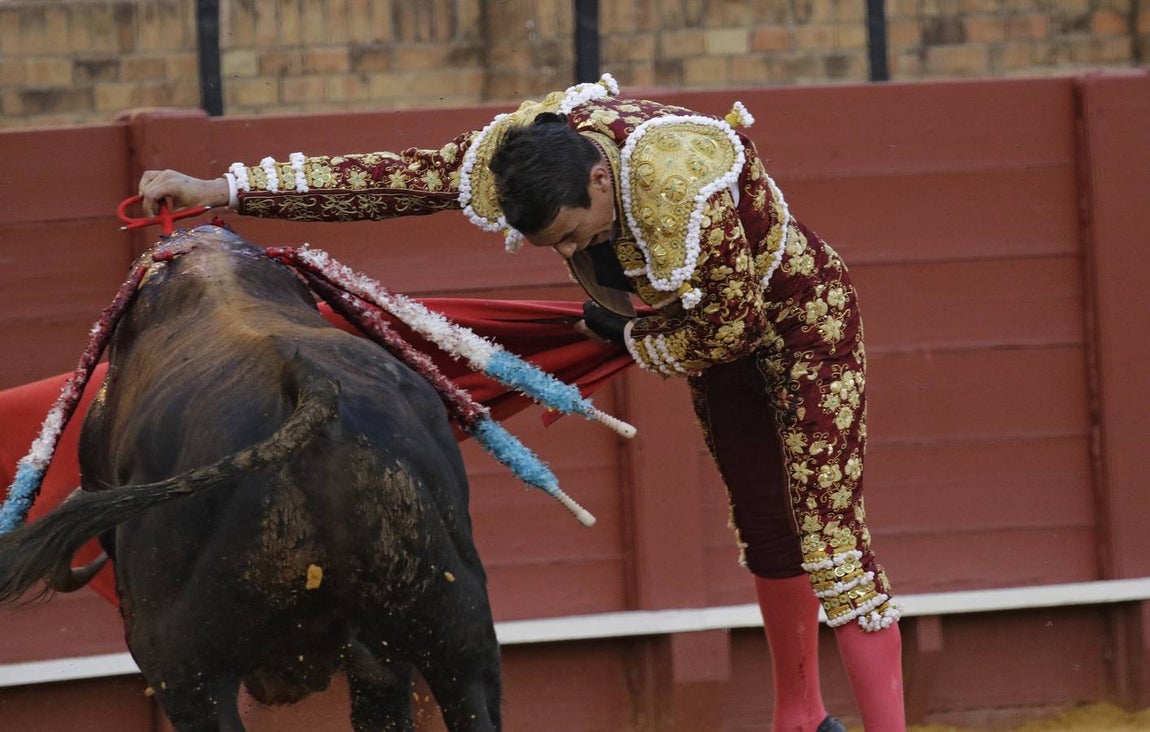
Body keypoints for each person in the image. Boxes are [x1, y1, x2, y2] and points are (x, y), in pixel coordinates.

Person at [139, 73, 906, 731]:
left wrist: (625, 338)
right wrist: (224, 189)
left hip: (804, 325)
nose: (571, 254)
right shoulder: (523, 150)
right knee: (765, 525)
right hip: (692, 327)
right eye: (554, 246)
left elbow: (728, 332)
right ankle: (801, 717)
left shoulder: (682, 180)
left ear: (601, 182)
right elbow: (389, 180)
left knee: (831, 540)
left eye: (573, 234)